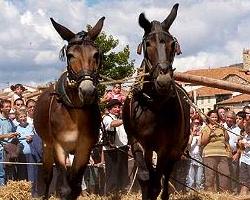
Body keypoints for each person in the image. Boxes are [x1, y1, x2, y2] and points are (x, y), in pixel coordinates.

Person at [102, 99, 129, 194]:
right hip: (111, 150)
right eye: (115, 107)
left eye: (119, 107)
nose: (118, 109)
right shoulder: (107, 118)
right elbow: (112, 124)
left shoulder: (120, 118)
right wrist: (125, 120)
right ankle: (111, 193)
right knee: (112, 173)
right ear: (109, 109)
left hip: (123, 148)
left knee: (123, 171)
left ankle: (122, 191)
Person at [201, 109, 231, 192]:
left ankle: (224, 194)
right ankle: (211, 194)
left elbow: (227, 139)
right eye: (212, 117)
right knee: (210, 176)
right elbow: (202, 142)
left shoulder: (221, 127)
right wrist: (211, 131)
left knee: (225, 174)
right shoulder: (206, 128)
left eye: (215, 117)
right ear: (208, 118)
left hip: (222, 154)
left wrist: (224, 129)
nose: (214, 119)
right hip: (209, 154)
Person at [15, 109, 36, 193]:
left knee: (32, 173)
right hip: (21, 154)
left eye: (24, 116)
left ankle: (33, 190)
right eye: (21, 117)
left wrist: (32, 137)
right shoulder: (16, 128)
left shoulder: (31, 126)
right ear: (17, 118)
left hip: (31, 153)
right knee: (22, 173)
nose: (23, 118)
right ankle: (23, 192)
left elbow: (37, 137)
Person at [0, 99, 19, 185]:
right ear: (1, 108)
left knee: (8, 173)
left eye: (9, 106)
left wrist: (15, 134)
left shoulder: (10, 120)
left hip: (9, 151)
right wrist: (8, 135)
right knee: (1, 174)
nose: (9, 108)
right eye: (6, 107)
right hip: (1, 150)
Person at [223, 110, 241, 194]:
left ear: (234, 119)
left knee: (234, 174)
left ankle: (234, 192)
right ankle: (225, 192)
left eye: (231, 118)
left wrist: (237, 154)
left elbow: (241, 144)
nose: (229, 119)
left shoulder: (238, 129)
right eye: (228, 117)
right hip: (223, 154)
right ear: (225, 118)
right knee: (224, 174)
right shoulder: (221, 127)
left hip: (234, 155)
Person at [186, 114, 204, 190]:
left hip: (199, 157)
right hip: (191, 157)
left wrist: (199, 135)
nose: (197, 125)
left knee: (199, 178)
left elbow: (199, 144)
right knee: (190, 179)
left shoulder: (202, 134)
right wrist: (192, 135)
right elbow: (189, 146)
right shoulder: (189, 135)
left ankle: (198, 193)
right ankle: (190, 193)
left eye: (198, 123)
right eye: (195, 123)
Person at [238, 121, 250, 195]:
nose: (247, 131)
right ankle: (242, 195)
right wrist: (240, 143)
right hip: (244, 160)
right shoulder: (245, 136)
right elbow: (242, 148)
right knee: (243, 181)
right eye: (247, 130)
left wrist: (248, 144)